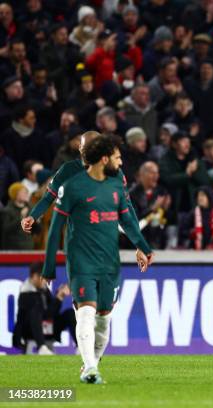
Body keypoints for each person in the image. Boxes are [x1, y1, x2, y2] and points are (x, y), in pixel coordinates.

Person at [42, 135, 153, 384]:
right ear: (104, 159)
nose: (121, 161)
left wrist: (143, 247)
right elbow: (54, 229)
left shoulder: (115, 186)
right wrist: (49, 266)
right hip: (81, 261)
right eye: (117, 157)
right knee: (86, 313)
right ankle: (91, 368)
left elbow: (127, 220)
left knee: (103, 320)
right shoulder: (72, 187)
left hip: (109, 263)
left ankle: (90, 363)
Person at [12, 262, 76, 355]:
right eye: (43, 277)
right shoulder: (26, 293)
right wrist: (58, 298)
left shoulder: (44, 290)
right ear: (34, 276)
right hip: (30, 331)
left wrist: (60, 296)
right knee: (35, 312)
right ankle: (41, 347)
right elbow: (43, 314)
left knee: (70, 313)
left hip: (47, 328)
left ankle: (80, 347)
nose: (45, 281)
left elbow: (53, 313)